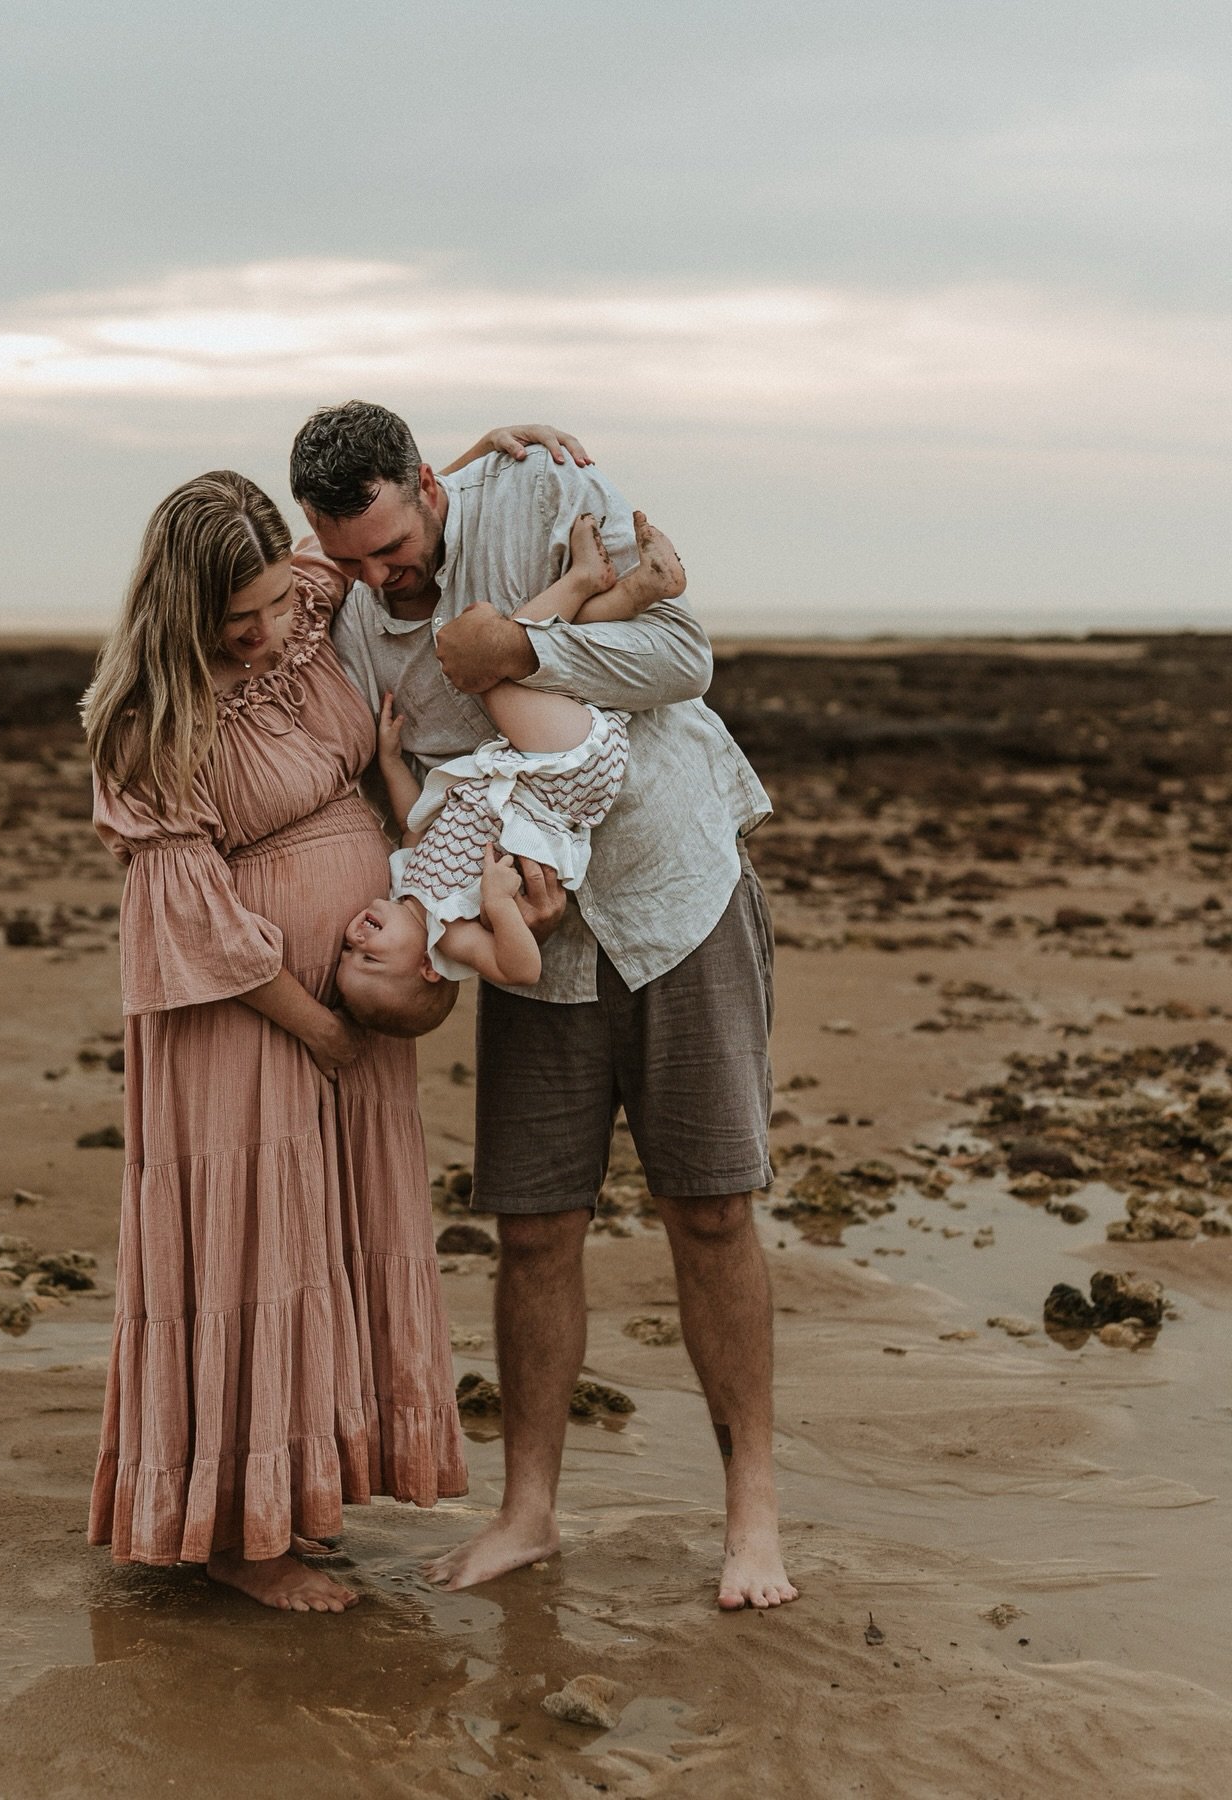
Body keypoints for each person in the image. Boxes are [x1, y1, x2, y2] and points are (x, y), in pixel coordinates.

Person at [291, 401, 798, 1610]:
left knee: (713, 1212)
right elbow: (380, 771)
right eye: (351, 560)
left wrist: (516, 654)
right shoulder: (355, 613)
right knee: (531, 1230)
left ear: (425, 481)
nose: (381, 577)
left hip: (676, 893)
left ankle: (754, 1517)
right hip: (531, 942)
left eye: (394, 545)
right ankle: (528, 1515)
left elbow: (682, 654)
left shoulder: (540, 493)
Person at [80, 426, 566, 1613]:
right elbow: (189, 922)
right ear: (179, 606)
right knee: (259, 1242)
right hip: (246, 1012)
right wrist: (315, 1025)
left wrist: (483, 452)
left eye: (265, 607)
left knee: (331, 1239)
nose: (261, 635)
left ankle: (296, 1498)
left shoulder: (303, 599)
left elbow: (376, 525)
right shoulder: (151, 720)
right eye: (234, 623)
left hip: (349, 982)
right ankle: (239, 1539)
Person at [337, 512, 684, 1031]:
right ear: (429, 970)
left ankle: (636, 589)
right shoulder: (450, 936)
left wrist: (390, 761)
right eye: (369, 958)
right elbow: (521, 969)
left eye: (348, 952)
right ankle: (587, 581)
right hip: (560, 781)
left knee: (515, 655)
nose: (356, 941)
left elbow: (414, 821)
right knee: (487, 663)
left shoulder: (404, 886)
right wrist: (498, 904)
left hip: (532, 765)